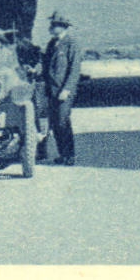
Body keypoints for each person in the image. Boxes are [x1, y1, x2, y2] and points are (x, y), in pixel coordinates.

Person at [41, 10, 82, 165]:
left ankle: (70, 155)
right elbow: (46, 66)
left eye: (54, 25)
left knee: (63, 121)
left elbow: (74, 70)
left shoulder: (72, 44)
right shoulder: (52, 44)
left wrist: (67, 89)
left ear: (63, 27)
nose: (50, 27)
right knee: (55, 123)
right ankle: (62, 154)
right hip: (51, 90)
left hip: (63, 90)